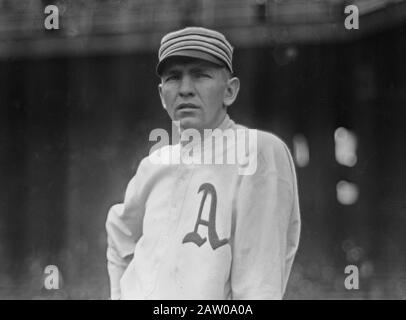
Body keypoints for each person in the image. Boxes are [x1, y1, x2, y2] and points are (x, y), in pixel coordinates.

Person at [105, 26, 300, 300]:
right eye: (173, 78)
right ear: (162, 96)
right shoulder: (154, 164)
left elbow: (259, 286)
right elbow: (119, 233)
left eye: (200, 75)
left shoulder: (258, 151)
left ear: (229, 91)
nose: (185, 89)